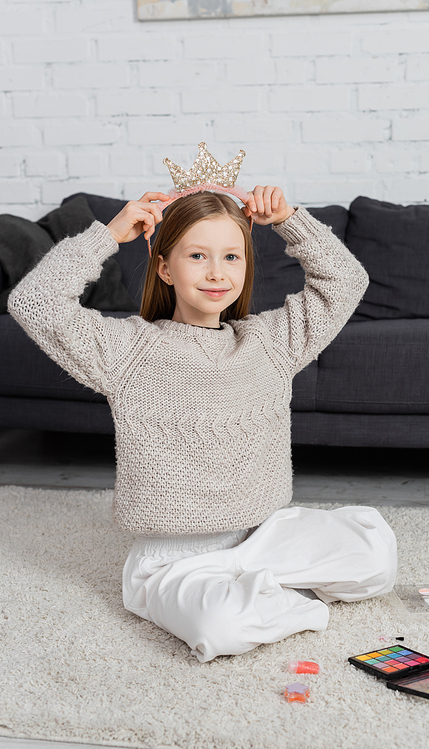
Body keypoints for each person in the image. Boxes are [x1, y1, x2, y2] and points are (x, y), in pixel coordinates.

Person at [8, 179, 397, 663]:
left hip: (263, 537)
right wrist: (107, 236)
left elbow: (345, 282)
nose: (217, 273)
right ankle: (257, 596)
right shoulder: (128, 351)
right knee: (221, 629)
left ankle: (256, 585)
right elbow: (34, 302)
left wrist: (291, 220)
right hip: (175, 560)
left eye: (232, 257)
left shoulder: (271, 342)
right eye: (197, 256)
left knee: (378, 562)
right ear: (165, 268)